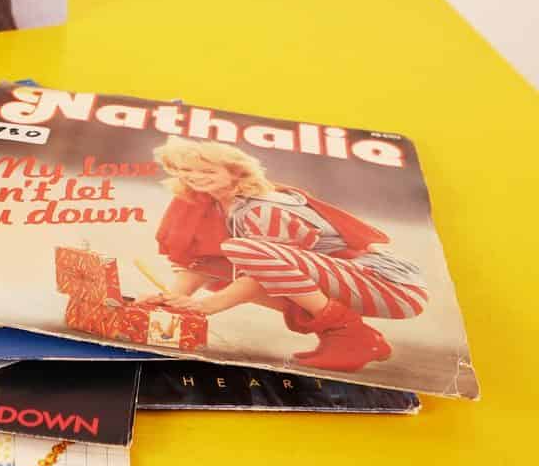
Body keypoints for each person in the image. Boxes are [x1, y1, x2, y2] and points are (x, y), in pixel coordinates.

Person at [146, 137, 428, 373]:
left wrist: (206, 307)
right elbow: (203, 263)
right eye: (186, 170)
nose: (194, 177)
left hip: (390, 286)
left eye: (208, 171)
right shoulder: (218, 205)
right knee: (222, 269)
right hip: (348, 278)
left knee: (243, 253)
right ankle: (350, 339)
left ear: (236, 173)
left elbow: (261, 273)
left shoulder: (262, 209)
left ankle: (352, 334)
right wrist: (171, 302)